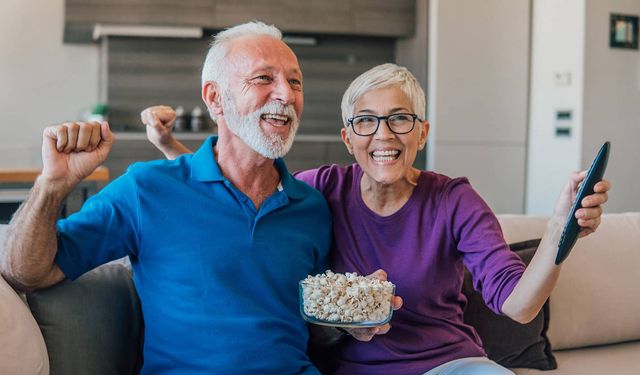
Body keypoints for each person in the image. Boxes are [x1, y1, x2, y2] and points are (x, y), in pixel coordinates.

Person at [144, 63, 610, 374]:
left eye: (399, 119)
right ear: (349, 138)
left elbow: (519, 305)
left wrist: (558, 231)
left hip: (450, 366)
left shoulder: (454, 200)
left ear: (421, 133)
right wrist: (170, 148)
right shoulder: (320, 188)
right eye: (366, 121)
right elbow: (235, 196)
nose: (382, 134)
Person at [1, 22, 338, 374]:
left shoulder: (311, 207)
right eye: (264, 78)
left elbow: (317, 328)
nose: (286, 94)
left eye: (295, 81)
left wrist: (355, 316)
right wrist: (51, 185)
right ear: (214, 98)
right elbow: (26, 272)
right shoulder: (146, 190)